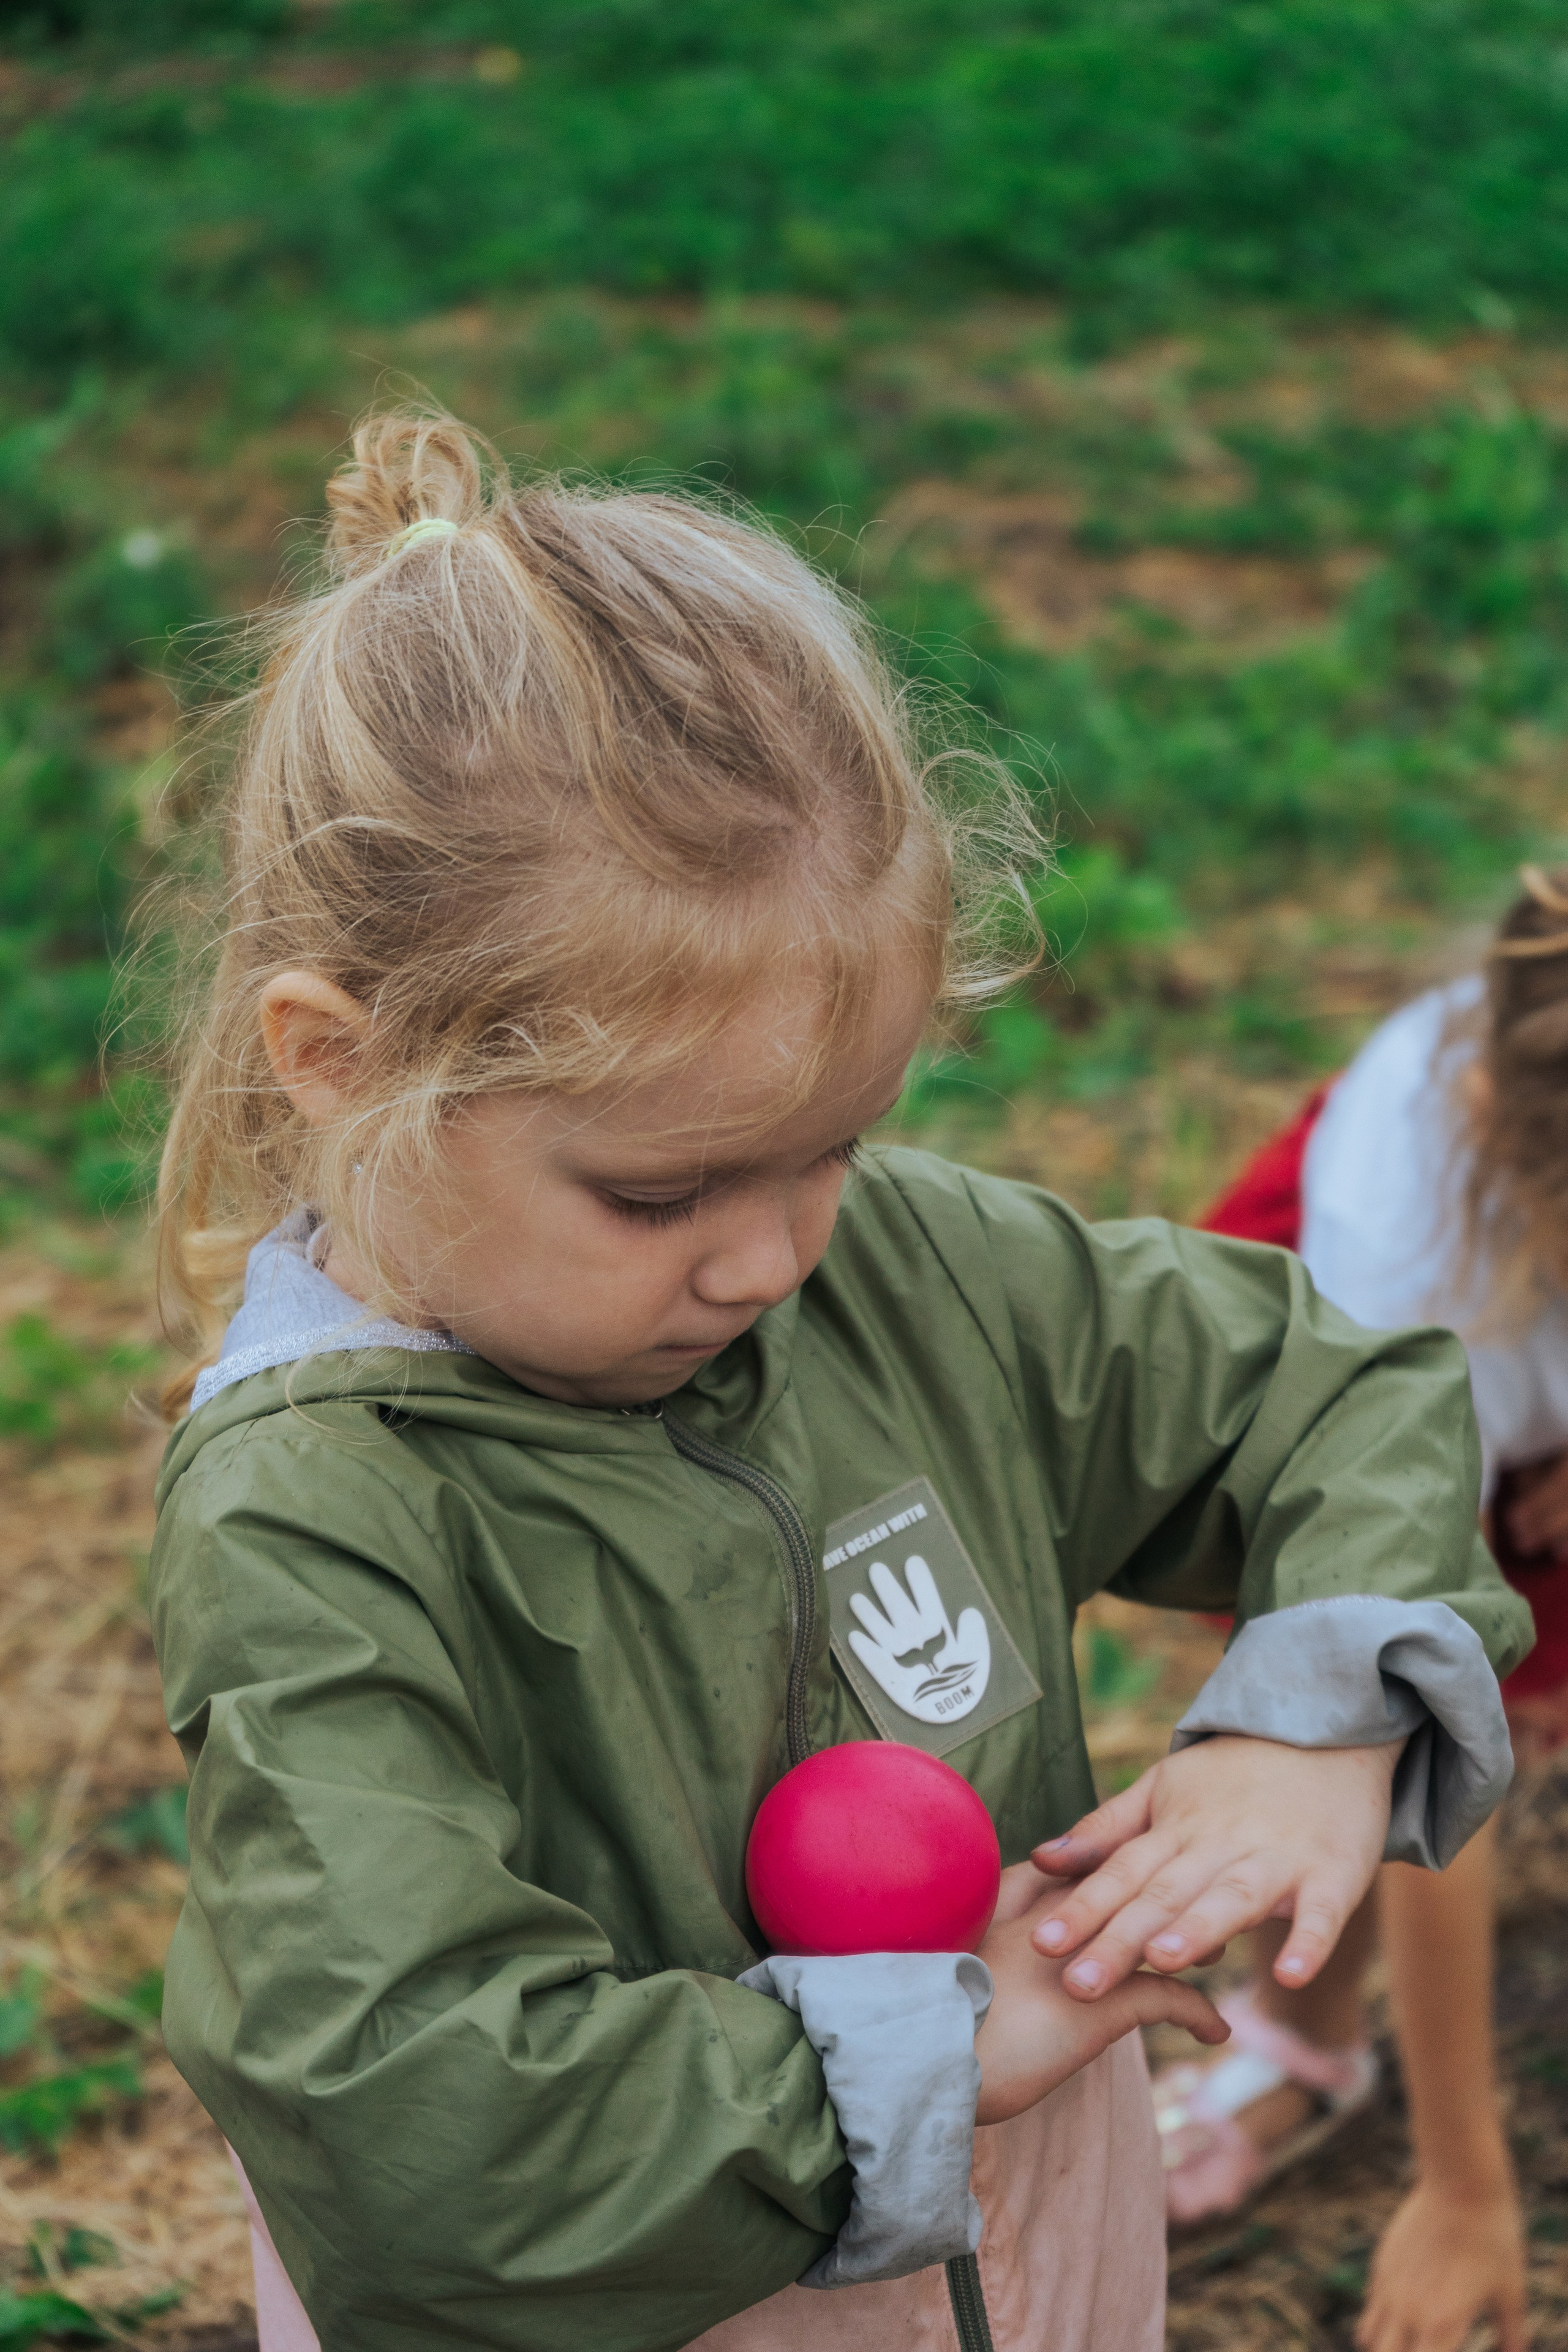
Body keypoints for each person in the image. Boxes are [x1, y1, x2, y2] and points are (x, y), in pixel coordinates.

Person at [146, 409, 1529, 2352]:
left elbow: (1326, 1384)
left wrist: (1316, 1713)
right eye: (659, 1189)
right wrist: (938, 2052)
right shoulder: (322, 1518)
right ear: (339, 1062)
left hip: (1028, 2238)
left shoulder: (896, 1268)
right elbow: (420, 2139)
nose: (774, 1255)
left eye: (835, 1146)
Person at [1156, 873, 1568, 2352]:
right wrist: (1465, 2184)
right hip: (1396, 1360)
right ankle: (1307, 2037)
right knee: (1328, 1696)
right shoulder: (1403, 1269)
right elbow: (1400, 1729)